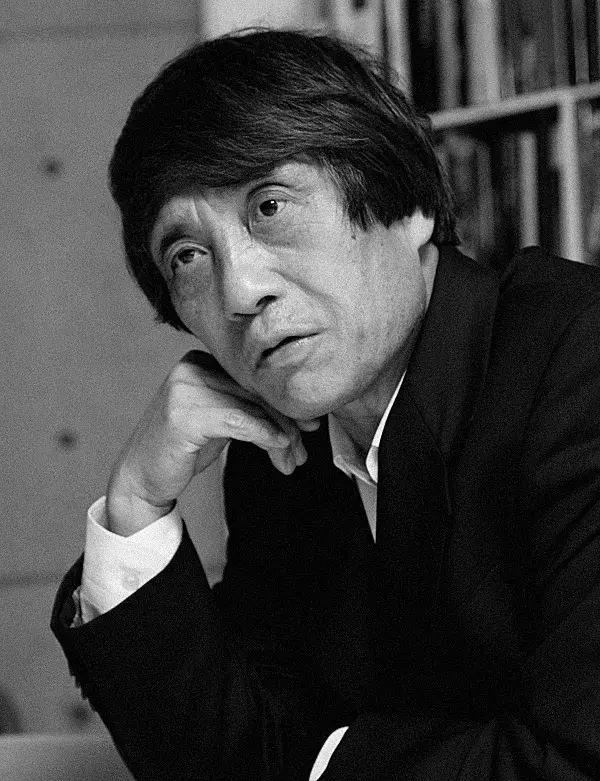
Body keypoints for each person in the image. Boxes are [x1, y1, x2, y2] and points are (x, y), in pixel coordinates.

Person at [51, 27, 600, 781]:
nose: (240, 291)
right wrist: (137, 504)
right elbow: (217, 756)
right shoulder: (280, 456)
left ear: (407, 202)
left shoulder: (580, 362)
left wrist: (311, 764)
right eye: (188, 256)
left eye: (270, 206)